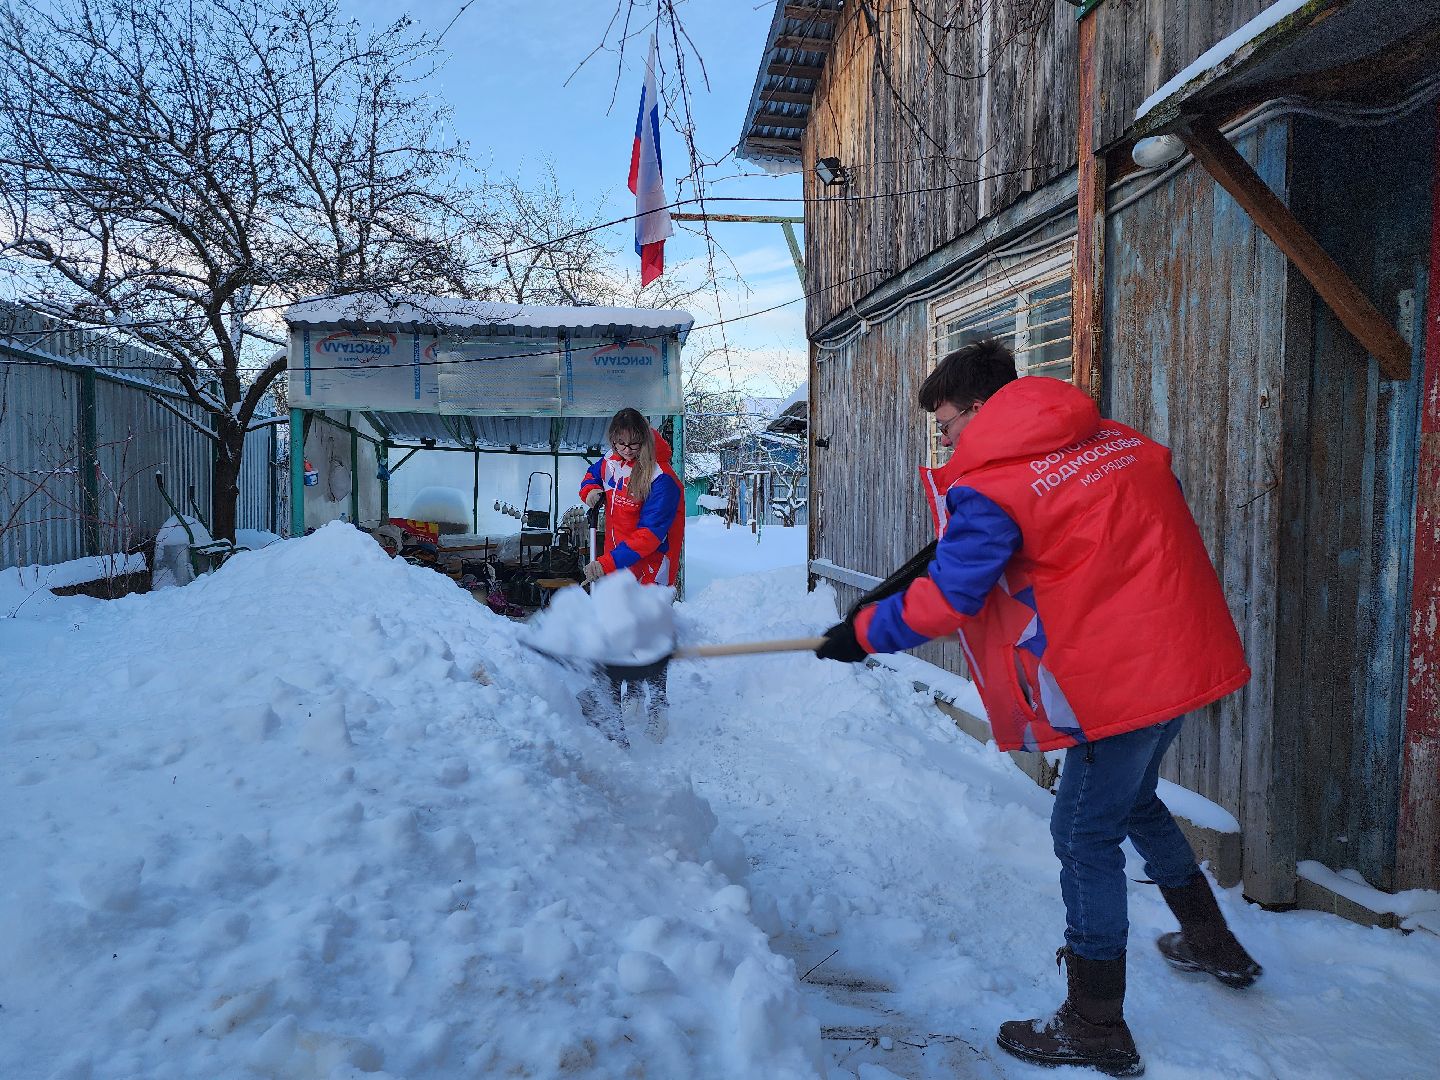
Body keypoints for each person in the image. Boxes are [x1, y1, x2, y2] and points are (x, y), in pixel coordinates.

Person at [815, 339, 1260, 1077]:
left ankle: (1094, 1024)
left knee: (1084, 835)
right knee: (1136, 799)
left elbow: (956, 597)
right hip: (1182, 654)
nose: (947, 439)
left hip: (1115, 682)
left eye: (948, 422)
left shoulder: (992, 486)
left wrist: (863, 632)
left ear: (984, 408)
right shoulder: (1116, 442)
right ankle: (1212, 941)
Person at [576, 407, 684, 746]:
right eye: (620, 444)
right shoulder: (611, 462)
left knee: (650, 638)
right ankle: (631, 696)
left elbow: (650, 536)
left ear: (646, 440)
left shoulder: (661, 478)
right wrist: (590, 491)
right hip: (619, 561)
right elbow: (592, 475)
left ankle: (658, 709)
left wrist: (606, 563)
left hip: (651, 566)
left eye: (634, 444)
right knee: (622, 632)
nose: (627, 450)